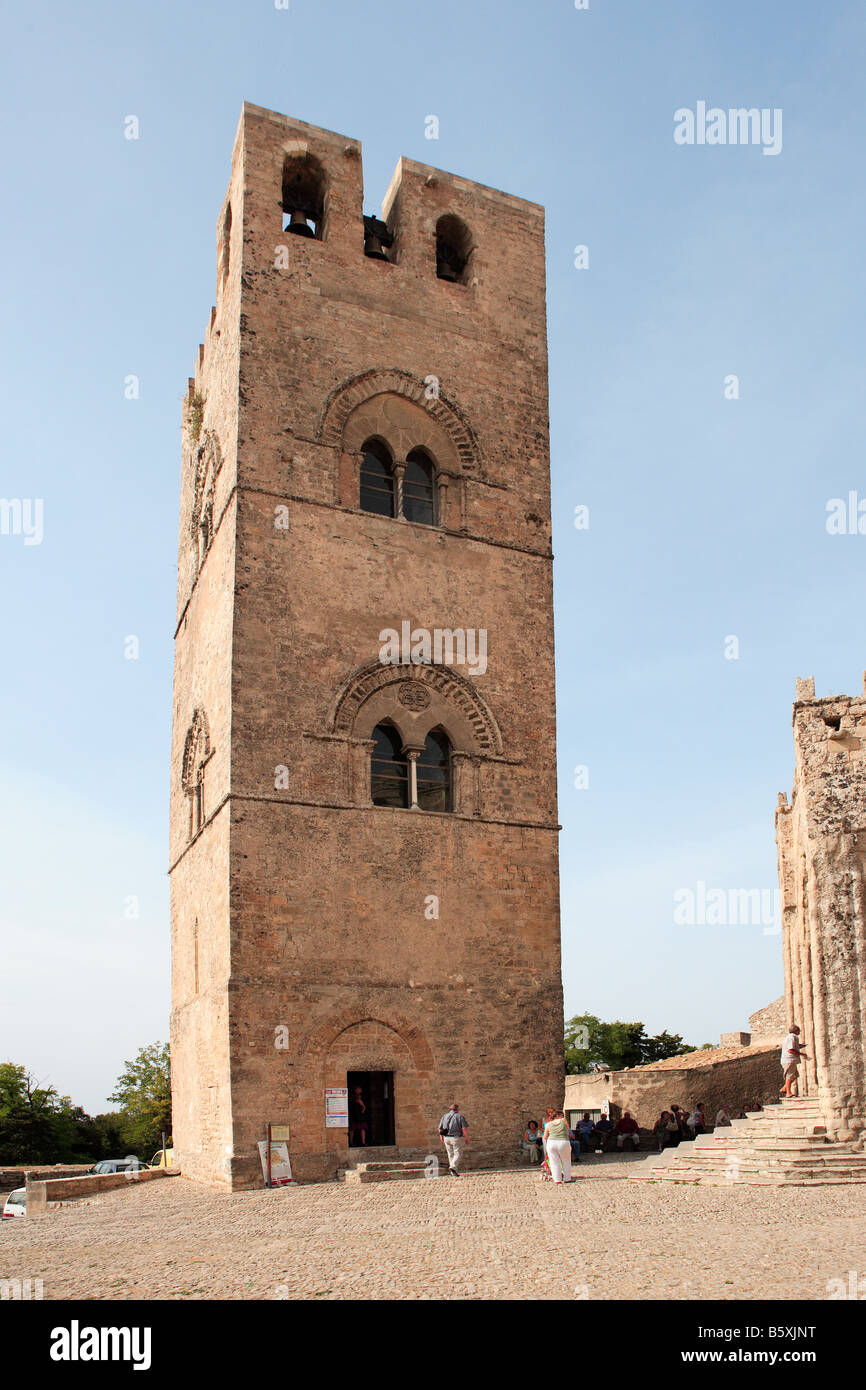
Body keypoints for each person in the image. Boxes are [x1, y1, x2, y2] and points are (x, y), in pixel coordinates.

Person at [438, 1103, 469, 1176]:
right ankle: (453, 1167)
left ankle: (453, 1171)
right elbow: (464, 1128)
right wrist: (467, 1137)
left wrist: (441, 1136)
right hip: (456, 1137)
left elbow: (439, 1128)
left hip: (446, 1137)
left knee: (450, 1154)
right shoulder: (460, 1117)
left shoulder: (444, 1116)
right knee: (458, 1153)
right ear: (457, 1109)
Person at [543, 1109, 573, 1183]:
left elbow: (545, 1136)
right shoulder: (563, 1120)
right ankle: (567, 1178)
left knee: (554, 1162)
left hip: (551, 1143)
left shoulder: (548, 1124)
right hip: (563, 1142)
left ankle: (557, 1179)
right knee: (566, 1161)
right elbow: (567, 1128)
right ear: (558, 1116)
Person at [780, 1026, 809, 1098]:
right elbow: (790, 1050)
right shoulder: (792, 1038)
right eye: (799, 1030)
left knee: (794, 1075)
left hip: (789, 1060)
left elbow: (793, 1046)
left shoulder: (789, 1038)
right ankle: (788, 1093)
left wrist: (801, 1046)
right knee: (790, 1076)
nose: (800, 1032)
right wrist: (802, 1054)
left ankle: (785, 1088)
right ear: (796, 1031)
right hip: (789, 1060)